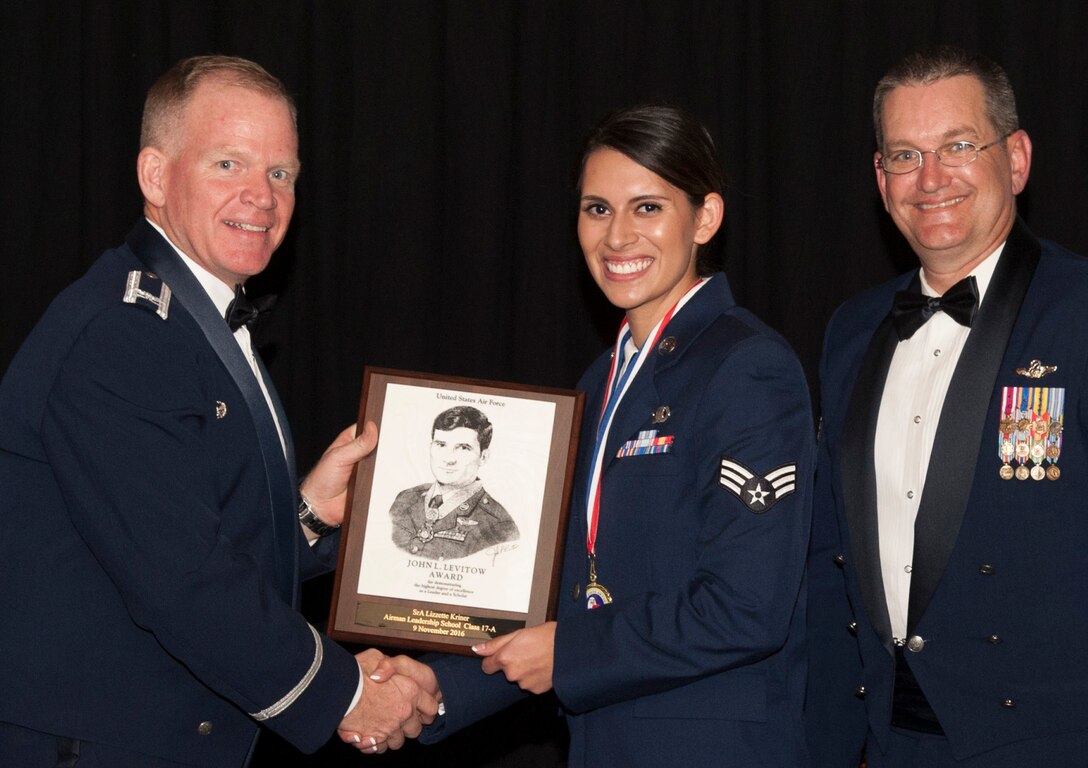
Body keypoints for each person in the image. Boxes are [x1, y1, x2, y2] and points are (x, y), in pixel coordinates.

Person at [0, 56, 434, 767]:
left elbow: (184, 531)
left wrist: (308, 515)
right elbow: (182, 581)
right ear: (154, 176)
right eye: (228, 163)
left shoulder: (183, 318)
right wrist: (349, 693)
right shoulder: (122, 333)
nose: (261, 197)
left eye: (281, 173)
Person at [364, 104, 816, 766]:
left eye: (648, 208)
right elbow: (561, 597)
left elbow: (746, 608)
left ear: (706, 218)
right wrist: (439, 690)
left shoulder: (747, 366)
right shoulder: (600, 381)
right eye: (597, 209)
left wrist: (571, 653)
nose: (617, 236)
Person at [805, 45, 1088, 767]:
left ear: (1016, 159)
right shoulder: (851, 329)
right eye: (904, 155)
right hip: (887, 740)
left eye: (958, 146)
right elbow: (830, 557)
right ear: (881, 178)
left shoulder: (1079, 309)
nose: (930, 178)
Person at [389, 405, 519, 559]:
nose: (448, 459)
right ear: (430, 447)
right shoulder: (405, 499)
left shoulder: (499, 525)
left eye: (463, 448)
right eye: (441, 445)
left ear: (483, 457)